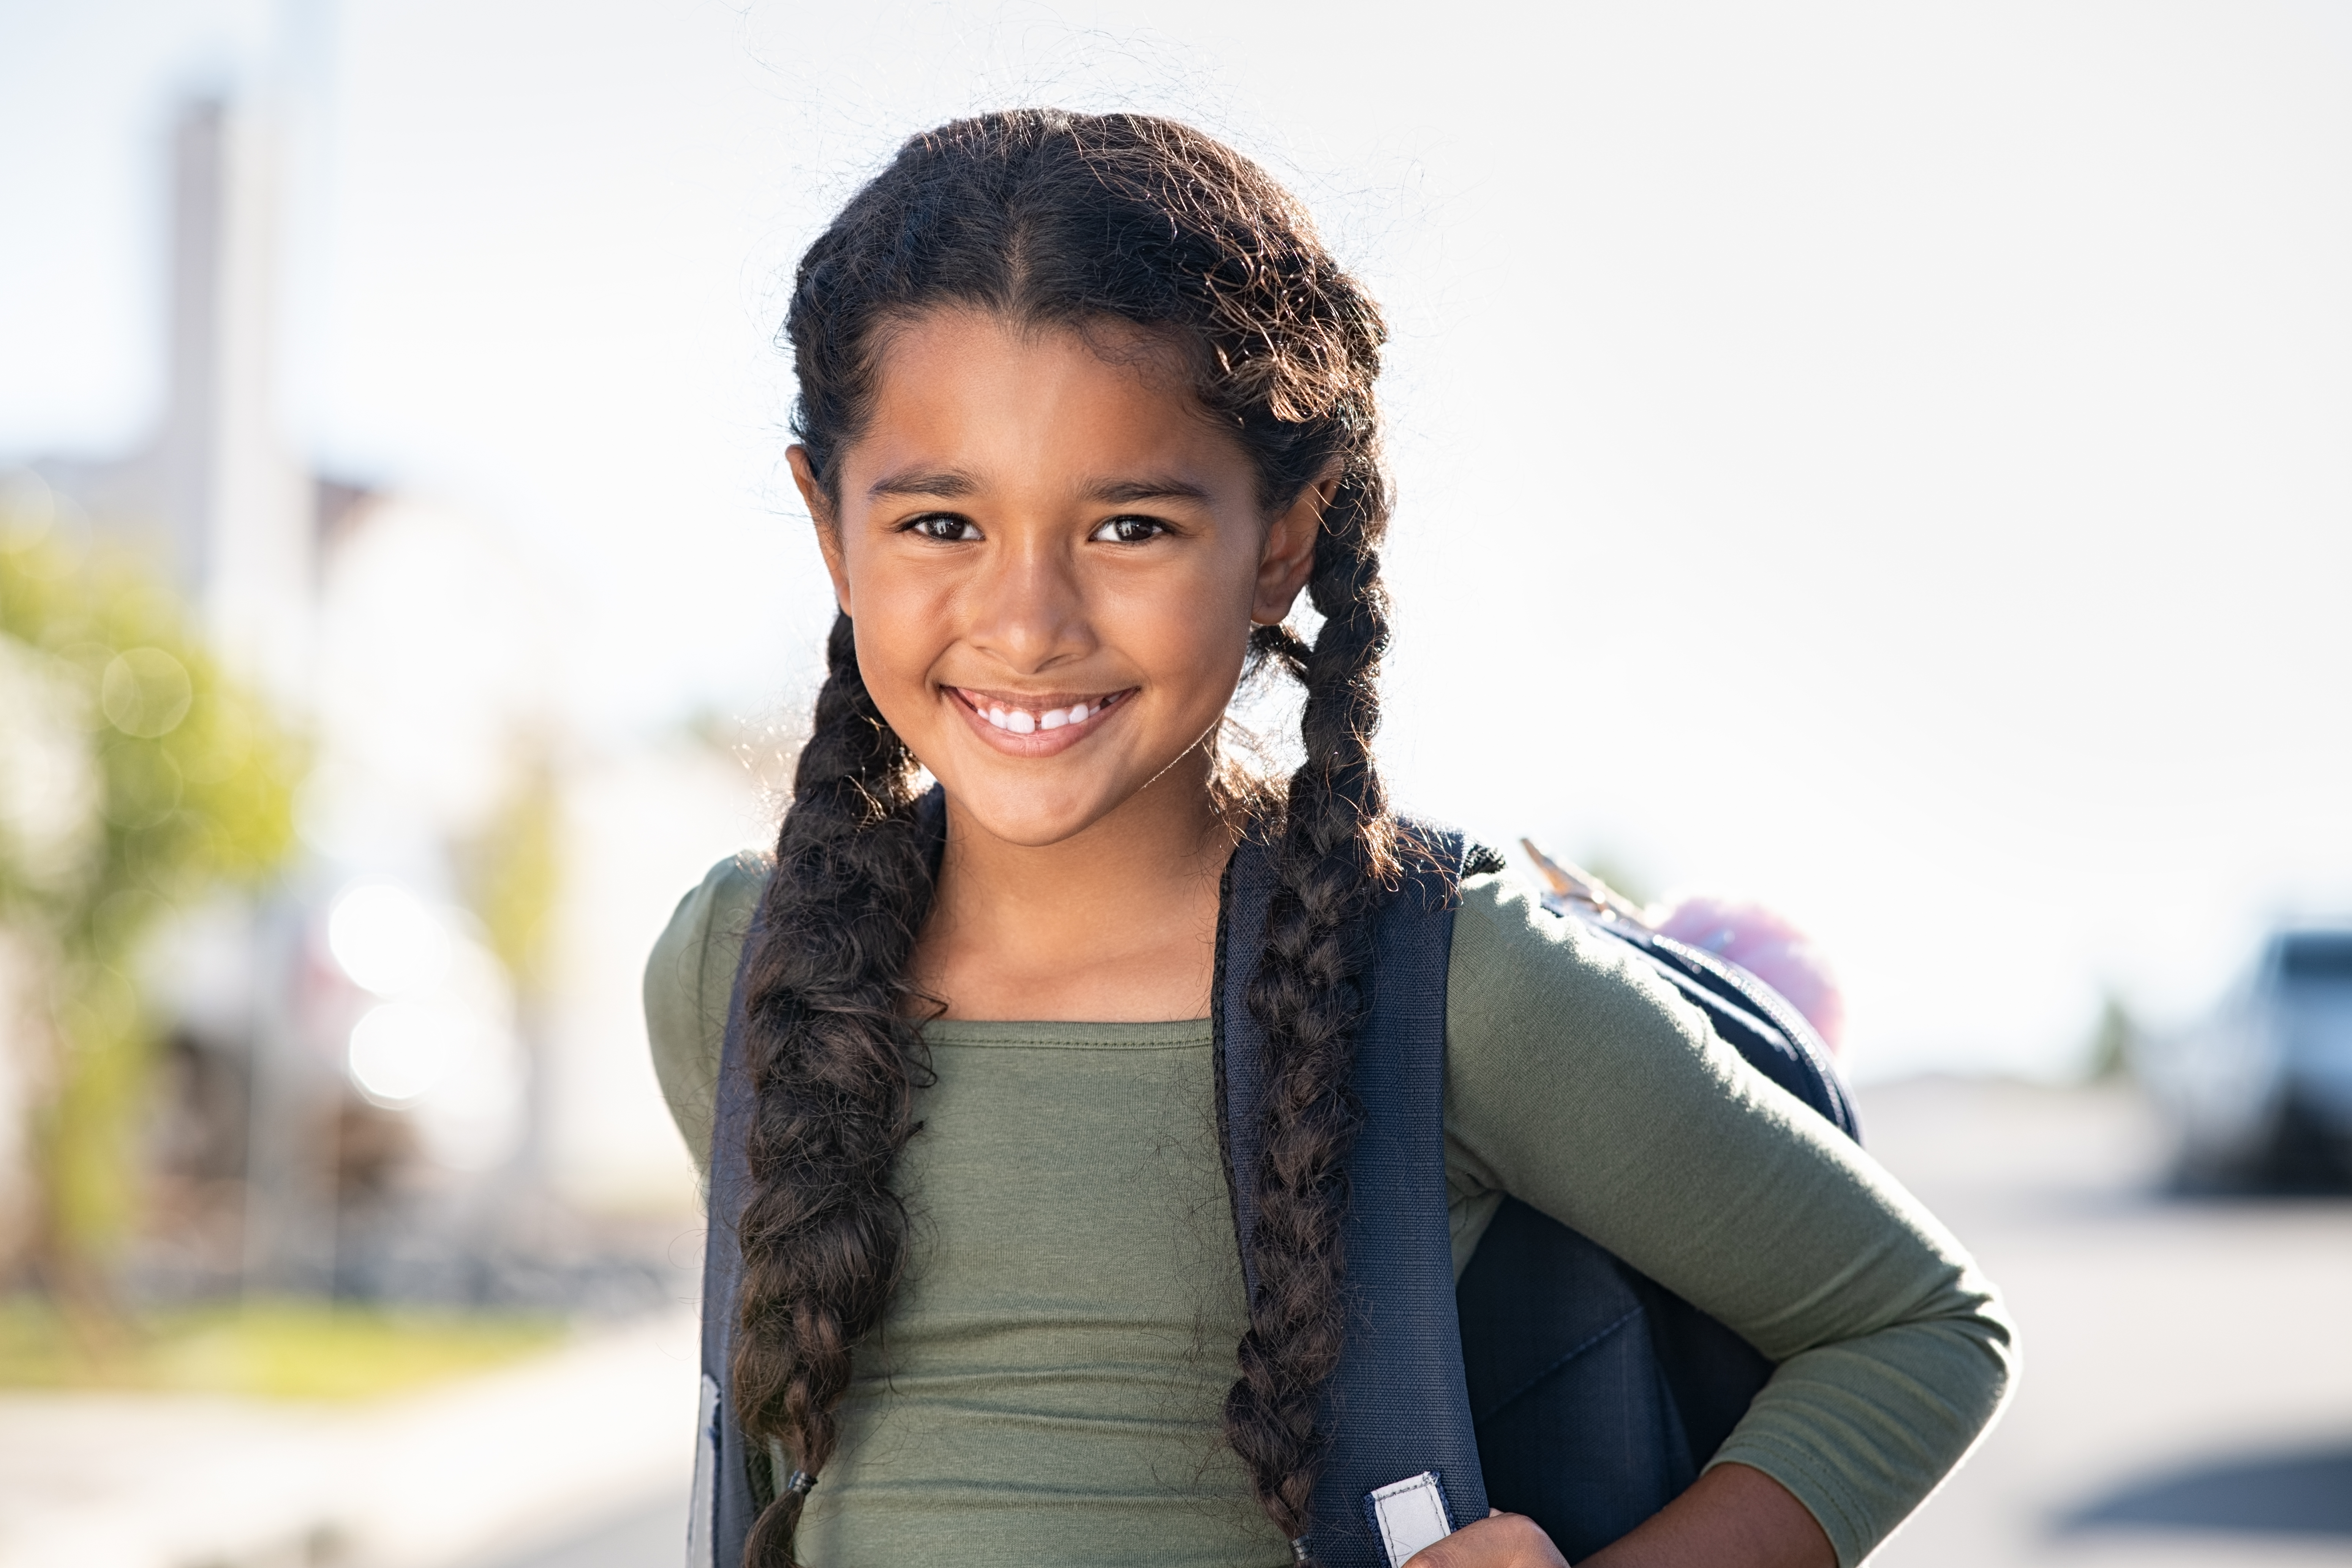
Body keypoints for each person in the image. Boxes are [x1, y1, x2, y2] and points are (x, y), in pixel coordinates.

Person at [645, 110, 2013, 1568]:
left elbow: (1918, 1330)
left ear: (1283, 541)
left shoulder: (1447, 983)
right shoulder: (743, 969)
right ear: (828, 524)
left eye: (1130, 529)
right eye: (939, 525)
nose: (1028, 621)